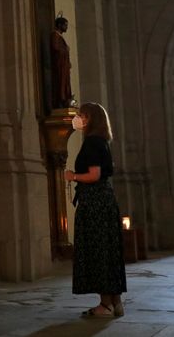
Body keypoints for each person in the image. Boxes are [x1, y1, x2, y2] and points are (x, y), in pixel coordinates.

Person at [63, 102, 126, 317]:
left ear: (91, 119)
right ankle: (116, 302)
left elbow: (94, 175)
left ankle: (105, 304)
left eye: (82, 115)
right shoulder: (102, 141)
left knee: (98, 250)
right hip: (104, 199)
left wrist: (73, 176)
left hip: (94, 202)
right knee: (108, 250)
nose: (78, 118)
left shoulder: (92, 143)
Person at [51, 16, 73, 108]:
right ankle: (61, 100)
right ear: (59, 25)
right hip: (59, 66)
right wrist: (65, 49)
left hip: (64, 66)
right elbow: (55, 48)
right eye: (65, 25)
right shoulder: (55, 35)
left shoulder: (59, 36)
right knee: (61, 84)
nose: (66, 27)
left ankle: (65, 100)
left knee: (65, 84)